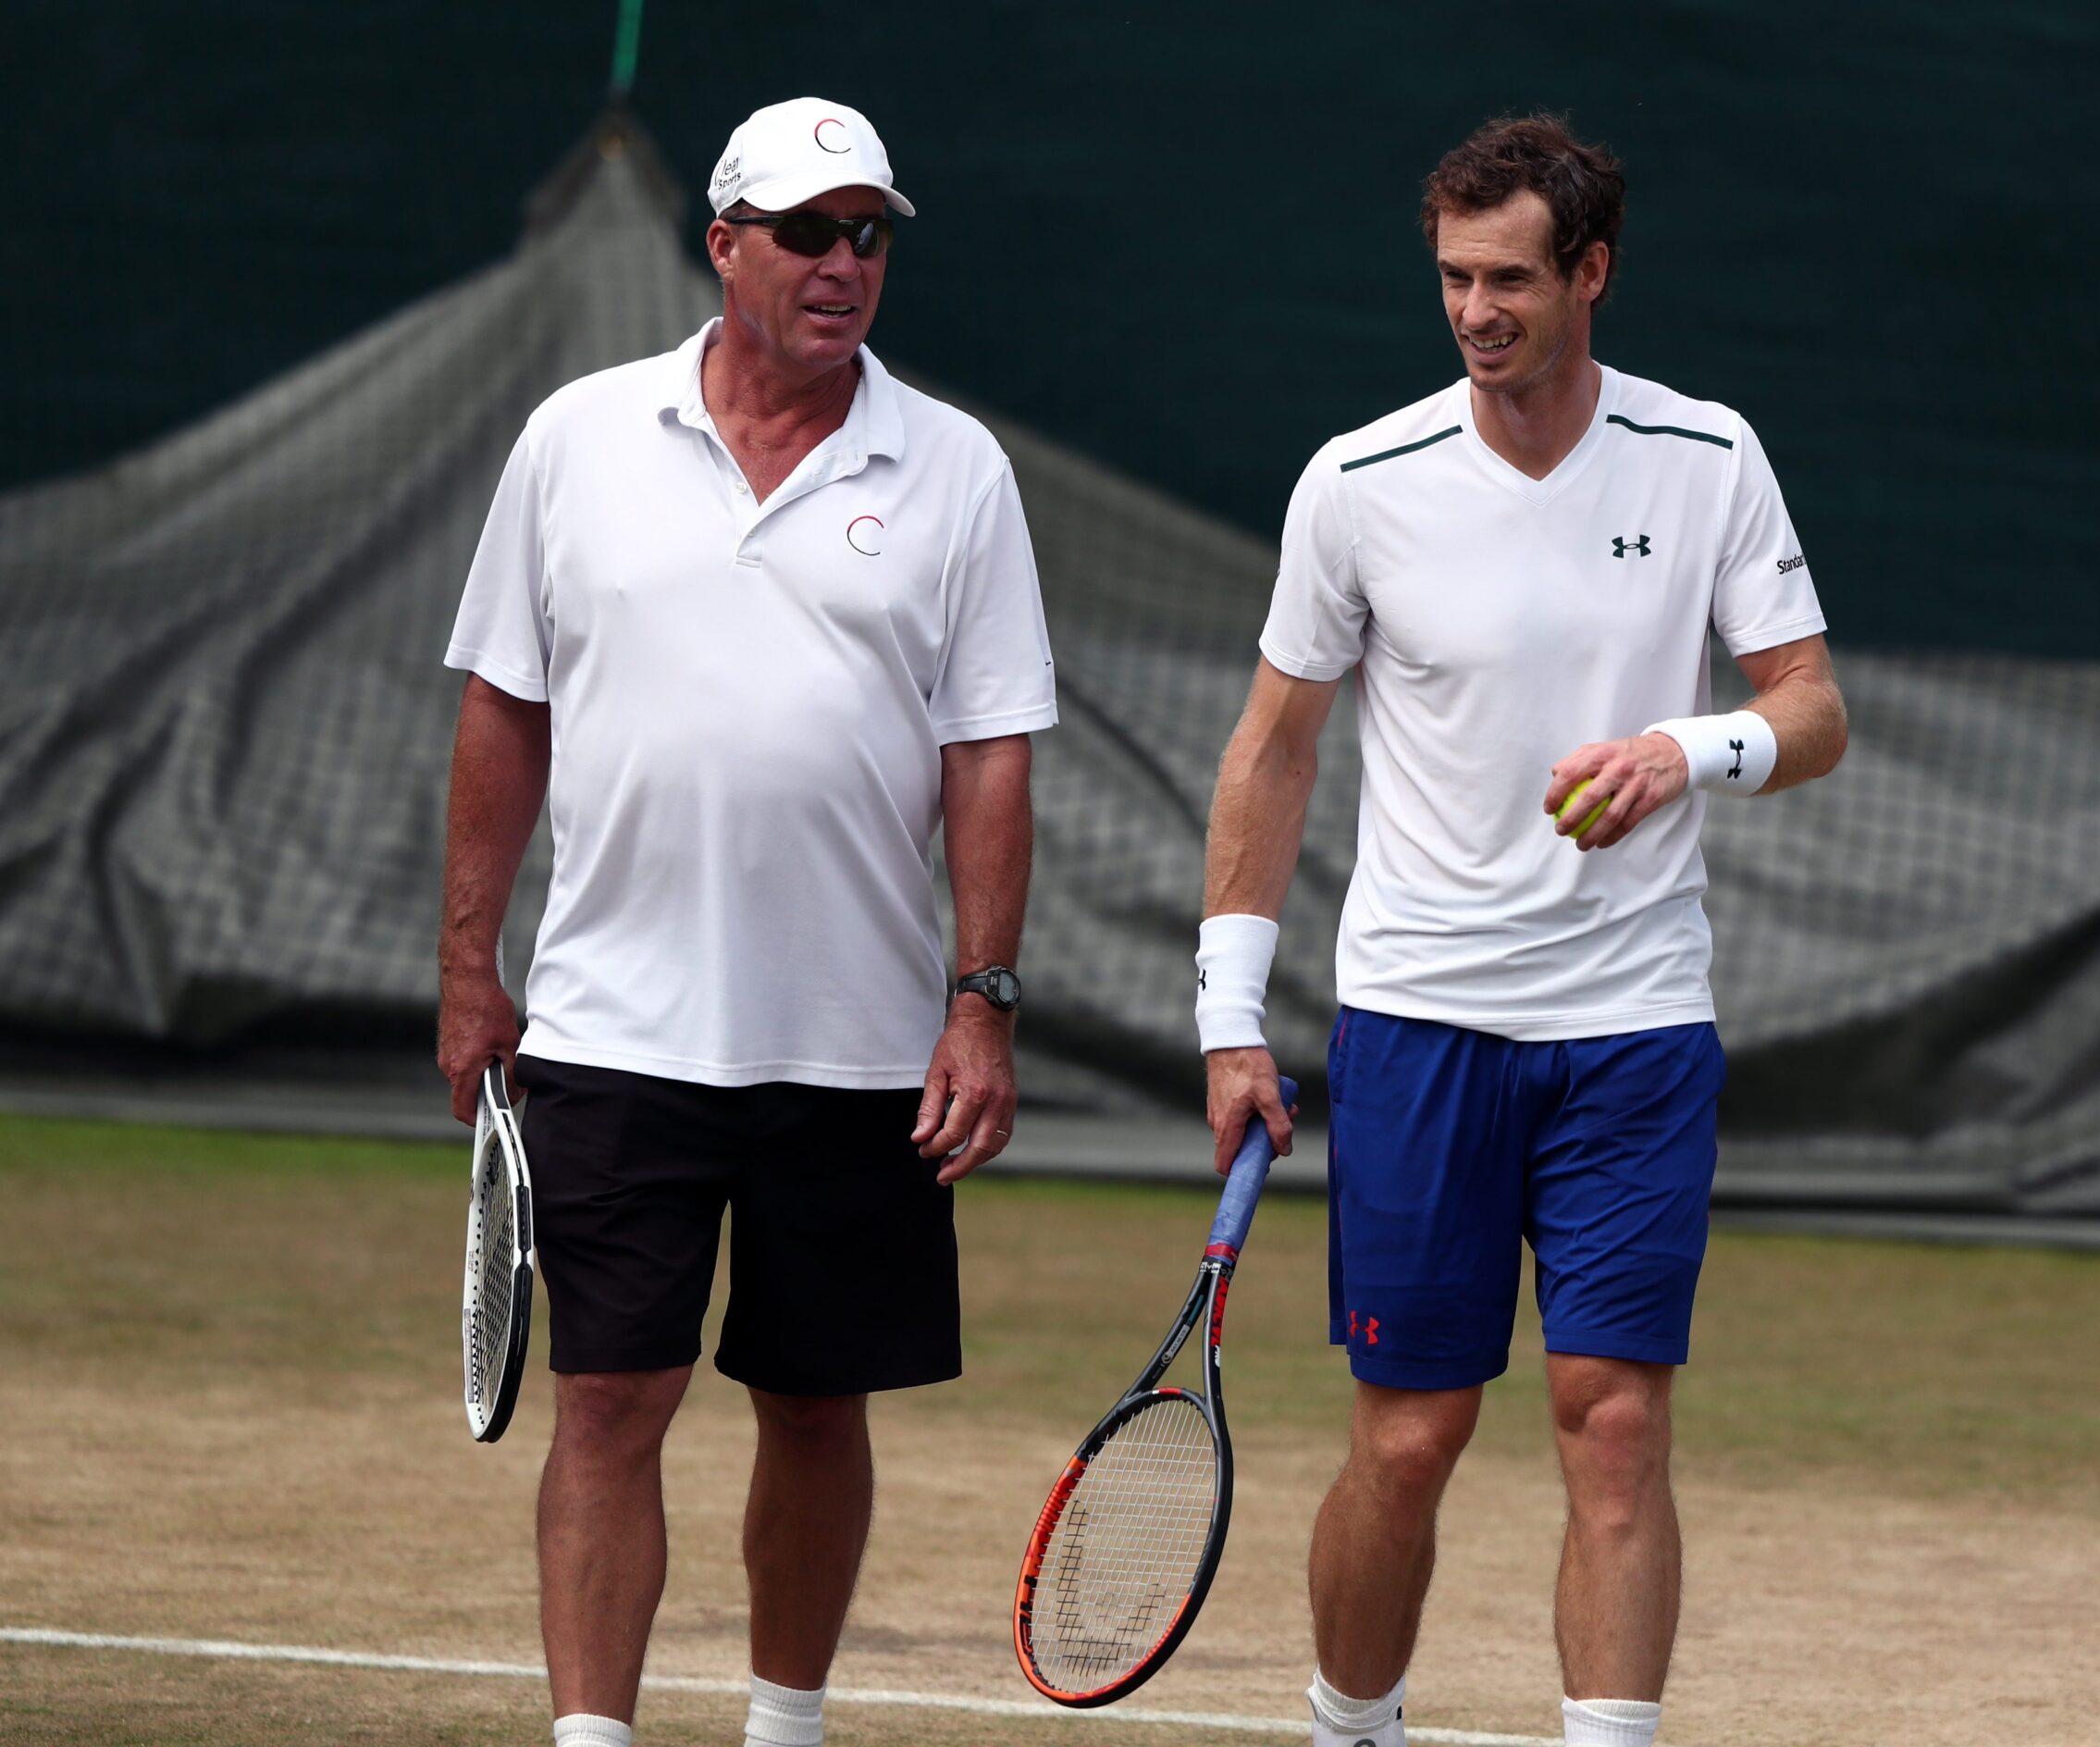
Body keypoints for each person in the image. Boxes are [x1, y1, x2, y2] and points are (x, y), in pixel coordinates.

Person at [1196, 115, 1847, 1747]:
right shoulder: (1358, 481)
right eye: (1453, 280)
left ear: (1592, 274)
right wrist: (1229, 1014)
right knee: (1408, 1444)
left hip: (1635, 1031)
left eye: (1510, 279)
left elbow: (1815, 712)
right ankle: (1354, 1726)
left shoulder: (1708, 459)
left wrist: (1680, 750)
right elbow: (1274, 746)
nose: (1478, 310)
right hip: (1422, 1025)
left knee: (1613, 1424)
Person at [435, 97, 1056, 1747]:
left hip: (855, 1046)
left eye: (870, 235)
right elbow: (503, 712)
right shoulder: (577, 436)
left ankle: (785, 1729)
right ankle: (595, 1738)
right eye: (808, 231)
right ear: (724, 247)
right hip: (610, 1027)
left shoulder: (958, 468)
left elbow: (990, 757)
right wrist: (466, 974)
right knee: (610, 1397)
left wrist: (979, 999)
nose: (846, 262)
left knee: (814, 1401)